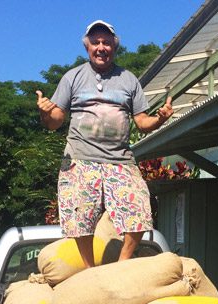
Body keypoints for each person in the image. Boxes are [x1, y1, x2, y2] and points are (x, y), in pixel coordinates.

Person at [36, 20, 173, 267]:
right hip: (80, 157)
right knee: (80, 217)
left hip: (119, 159)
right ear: (87, 46)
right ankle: (90, 269)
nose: (101, 47)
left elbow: (142, 122)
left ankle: (122, 265)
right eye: (96, 42)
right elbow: (56, 121)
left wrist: (160, 118)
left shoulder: (129, 80)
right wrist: (46, 112)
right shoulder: (73, 77)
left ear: (114, 47)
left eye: (106, 42)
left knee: (139, 211)